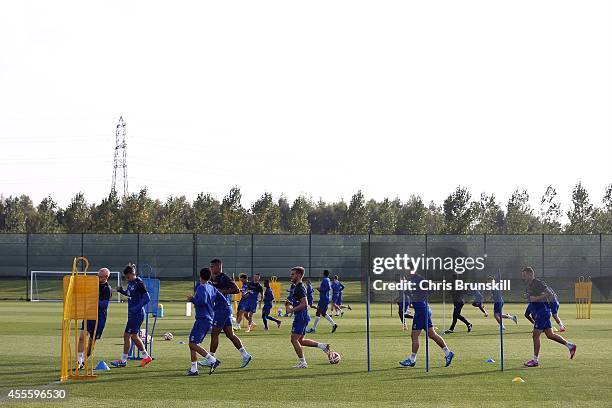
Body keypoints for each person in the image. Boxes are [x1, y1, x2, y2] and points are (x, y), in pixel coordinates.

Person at [199, 258, 252, 369]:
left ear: (218, 266)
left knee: (214, 333)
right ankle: (245, 355)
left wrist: (222, 291)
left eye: (213, 266)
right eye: (210, 267)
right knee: (230, 334)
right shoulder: (212, 278)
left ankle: (211, 359)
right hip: (221, 309)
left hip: (222, 309)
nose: (211, 268)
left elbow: (237, 290)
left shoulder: (224, 277)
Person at [521, 267, 576, 367]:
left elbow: (549, 294)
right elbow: (532, 297)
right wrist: (528, 297)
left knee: (535, 336)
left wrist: (536, 298)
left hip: (542, 312)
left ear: (530, 274)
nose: (523, 277)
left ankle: (535, 361)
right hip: (541, 312)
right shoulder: (529, 285)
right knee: (550, 335)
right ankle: (570, 346)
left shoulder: (537, 283)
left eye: (524, 275)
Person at [399, 272, 454, 368]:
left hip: (421, 310)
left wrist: (418, 295)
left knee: (414, 335)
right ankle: (448, 353)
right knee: (432, 334)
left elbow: (430, 289)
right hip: (423, 309)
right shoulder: (412, 281)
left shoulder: (418, 279)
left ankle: (412, 360)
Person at [285, 266, 332, 368]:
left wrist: (291, 310)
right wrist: (290, 304)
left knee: (294, 340)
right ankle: (323, 346)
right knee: (300, 340)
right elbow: (300, 302)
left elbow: (304, 304)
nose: (291, 276)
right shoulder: (298, 287)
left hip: (301, 317)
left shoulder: (300, 288)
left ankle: (303, 363)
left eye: (293, 274)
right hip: (302, 316)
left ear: (298, 275)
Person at [185, 268, 226, 375]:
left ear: (200, 276)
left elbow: (202, 301)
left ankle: (212, 360)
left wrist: (192, 299)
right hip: (208, 319)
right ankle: (194, 369)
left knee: (192, 343)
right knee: (193, 343)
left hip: (202, 319)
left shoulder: (201, 287)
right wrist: (213, 308)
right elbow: (222, 300)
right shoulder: (212, 288)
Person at [111, 264, 152, 368]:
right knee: (134, 336)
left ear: (132, 274)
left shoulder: (139, 283)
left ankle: (123, 360)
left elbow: (147, 298)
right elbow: (130, 294)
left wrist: (137, 307)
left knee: (127, 336)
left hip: (137, 314)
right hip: (133, 314)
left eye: (127, 276)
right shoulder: (131, 283)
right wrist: (122, 291)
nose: (126, 279)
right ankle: (146, 357)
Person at [77, 267, 112, 369]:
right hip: (89, 313)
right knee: (81, 337)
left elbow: (105, 304)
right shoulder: (93, 285)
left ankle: (84, 360)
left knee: (91, 342)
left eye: (100, 276)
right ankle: (79, 361)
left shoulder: (107, 289)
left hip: (100, 317)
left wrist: (94, 300)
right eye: (98, 275)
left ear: (106, 277)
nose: (98, 277)